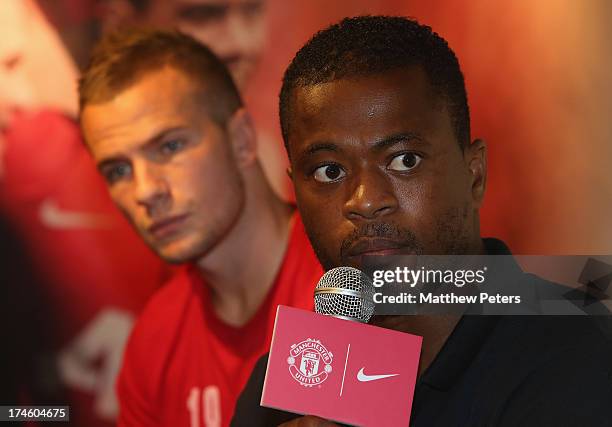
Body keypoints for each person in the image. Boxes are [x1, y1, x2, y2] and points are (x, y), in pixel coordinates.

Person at [231, 16, 612, 426]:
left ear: (474, 174)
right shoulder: (287, 383)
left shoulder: (580, 348)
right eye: (329, 171)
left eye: (404, 160)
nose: (365, 201)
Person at [78, 28, 322, 426]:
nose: (145, 191)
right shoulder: (154, 342)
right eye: (118, 170)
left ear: (242, 139)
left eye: (170, 146)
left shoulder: (351, 282)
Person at [100, 0, 290, 198]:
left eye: (252, 11)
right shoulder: (77, 168)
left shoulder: (266, 157)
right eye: (202, 15)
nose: (239, 44)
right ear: (124, 23)